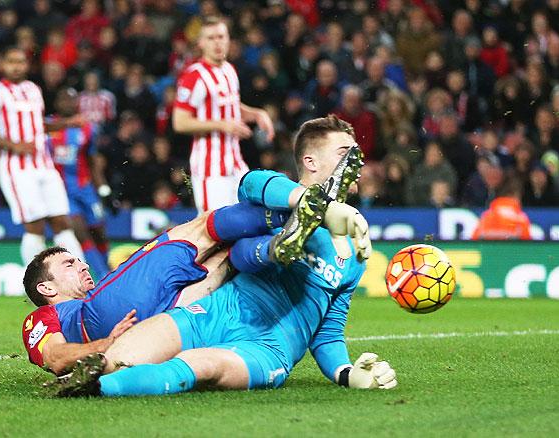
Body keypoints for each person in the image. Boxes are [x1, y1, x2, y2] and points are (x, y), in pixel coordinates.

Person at [50, 115, 394, 397]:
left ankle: (98, 391)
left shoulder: (356, 254)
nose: (356, 162)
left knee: (202, 366)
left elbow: (328, 331)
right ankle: (86, 381)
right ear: (310, 161)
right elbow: (250, 189)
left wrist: (347, 373)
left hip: (270, 345)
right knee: (120, 358)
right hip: (218, 309)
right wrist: (306, 205)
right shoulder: (271, 200)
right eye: (345, 153)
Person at [22, 198, 297, 375]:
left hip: (157, 330)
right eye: (69, 264)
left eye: (79, 261)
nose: (82, 265)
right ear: (47, 289)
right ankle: (294, 209)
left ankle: (277, 243)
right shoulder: (44, 317)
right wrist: (104, 343)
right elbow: (55, 356)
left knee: (228, 256)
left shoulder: (96, 290)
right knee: (201, 229)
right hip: (104, 318)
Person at [0, 47, 84, 266]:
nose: (16, 66)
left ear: (27, 65)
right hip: (18, 168)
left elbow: (37, 124)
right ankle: (35, 284)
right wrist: (15, 146)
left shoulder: (34, 89)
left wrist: (66, 123)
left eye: (21, 62)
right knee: (34, 225)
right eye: (11, 61)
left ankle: (77, 278)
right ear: (3, 65)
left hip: (45, 165)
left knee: (62, 221)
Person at [172, 16, 275, 213]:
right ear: (201, 43)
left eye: (221, 36)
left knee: (252, 221)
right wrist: (222, 125)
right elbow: (180, 122)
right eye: (211, 38)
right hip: (210, 170)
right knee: (216, 233)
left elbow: (230, 106)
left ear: (228, 40)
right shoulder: (194, 76)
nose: (217, 42)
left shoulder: (229, 70)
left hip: (235, 163)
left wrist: (256, 114)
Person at [46, 87, 113, 281]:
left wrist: (104, 189)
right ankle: (102, 277)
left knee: (99, 232)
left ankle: (108, 269)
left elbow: (92, 161)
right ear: (57, 103)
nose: (67, 104)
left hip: (86, 190)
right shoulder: (49, 128)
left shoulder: (88, 128)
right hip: (62, 192)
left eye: (71, 100)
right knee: (80, 232)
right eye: (63, 100)